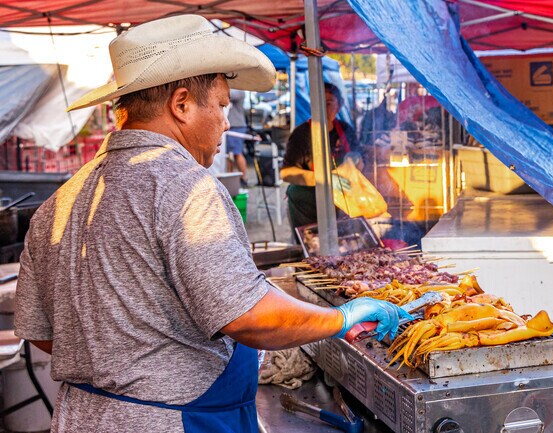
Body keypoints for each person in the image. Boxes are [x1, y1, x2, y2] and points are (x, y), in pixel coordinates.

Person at [14, 15, 409, 433]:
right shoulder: (184, 184)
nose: (226, 121)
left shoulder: (58, 201)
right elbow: (248, 317)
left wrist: (122, 354)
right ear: (181, 104)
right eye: (220, 105)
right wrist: (341, 318)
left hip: (82, 417)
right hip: (173, 422)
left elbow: (41, 332)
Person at [281, 83, 360, 233]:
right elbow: (287, 173)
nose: (323, 107)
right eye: (319, 103)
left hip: (341, 204)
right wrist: (324, 179)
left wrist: (356, 160)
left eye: (329, 103)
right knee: (312, 249)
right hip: (306, 205)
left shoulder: (345, 130)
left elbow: (361, 162)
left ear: (339, 105)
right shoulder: (301, 134)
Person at [227, 89, 250, 188]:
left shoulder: (239, 91)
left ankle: (244, 178)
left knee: (237, 153)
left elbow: (228, 95)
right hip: (231, 126)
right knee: (228, 155)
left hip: (237, 126)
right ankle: (229, 177)